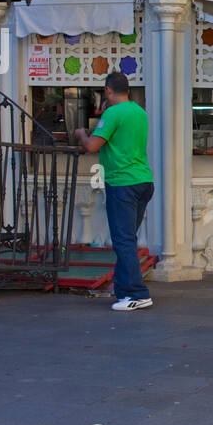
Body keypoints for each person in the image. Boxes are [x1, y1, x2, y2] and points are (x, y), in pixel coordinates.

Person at [75, 72, 154, 311]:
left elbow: (91, 146)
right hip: (144, 181)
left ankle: (136, 294)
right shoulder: (139, 112)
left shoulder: (112, 113)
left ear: (108, 90)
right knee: (127, 238)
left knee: (123, 240)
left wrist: (80, 133)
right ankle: (122, 288)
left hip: (122, 183)